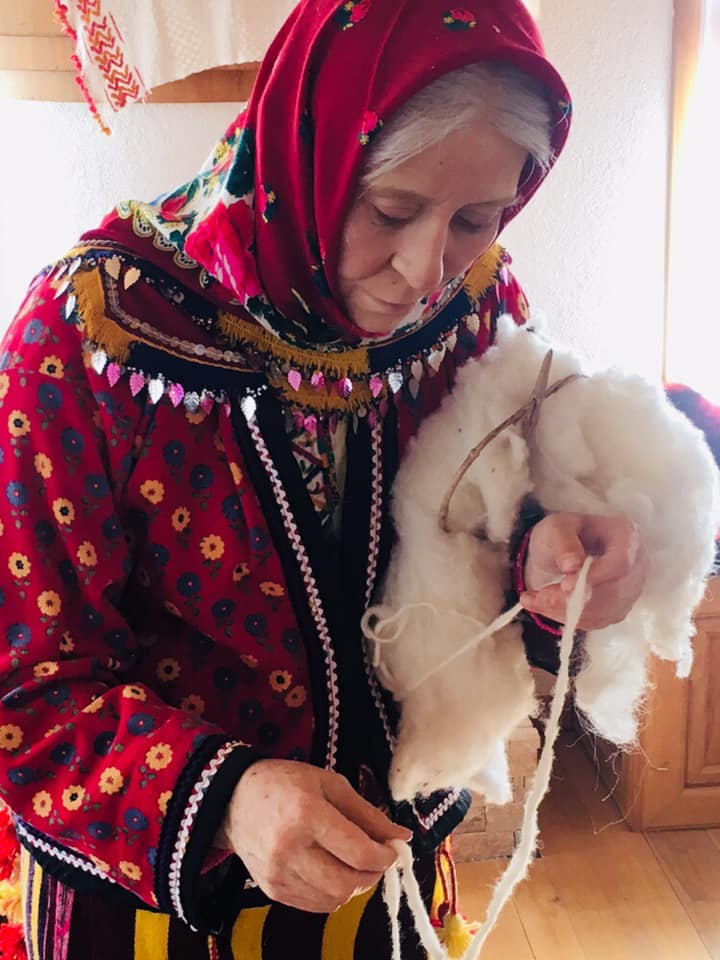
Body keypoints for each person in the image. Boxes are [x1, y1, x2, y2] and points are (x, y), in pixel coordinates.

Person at [0, 1, 647, 956]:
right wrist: (226, 795)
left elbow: (494, 534)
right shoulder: (92, 334)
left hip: (390, 888)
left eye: (477, 219)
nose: (424, 271)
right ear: (309, 153)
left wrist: (549, 566)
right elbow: (26, 686)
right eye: (390, 210)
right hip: (148, 909)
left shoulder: (477, 307)